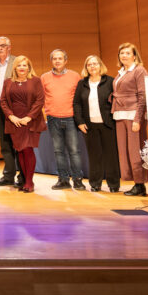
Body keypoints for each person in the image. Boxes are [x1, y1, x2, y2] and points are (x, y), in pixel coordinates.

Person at [73, 55, 120, 193]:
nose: (92, 66)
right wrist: (80, 122)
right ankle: (95, 183)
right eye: (89, 64)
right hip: (89, 125)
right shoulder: (82, 84)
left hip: (108, 124)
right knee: (94, 156)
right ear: (86, 68)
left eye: (95, 64)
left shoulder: (110, 81)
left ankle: (113, 184)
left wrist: (113, 119)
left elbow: (117, 101)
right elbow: (76, 104)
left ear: (100, 66)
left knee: (111, 155)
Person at [0, 56, 46, 193]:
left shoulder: (36, 81)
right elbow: (3, 101)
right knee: (20, 149)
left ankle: (29, 182)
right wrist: (11, 116)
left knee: (27, 149)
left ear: (29, 67)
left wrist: (29, 117)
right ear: (14, 67)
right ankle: (25, 180)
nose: (22, 68)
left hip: (30, 121)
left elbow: (40, 100)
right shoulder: (8, 82)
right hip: (14, 121)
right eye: (19, 65)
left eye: (25, 65)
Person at [41, 49, 85, 190]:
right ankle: (63, 180)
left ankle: (78, 180)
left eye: (60, 58)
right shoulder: (44, 77)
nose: (57, 61)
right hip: (53, 119)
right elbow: (41, 98)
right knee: (58, 151)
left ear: (66, 61)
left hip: (71, 118)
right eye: (55, 59)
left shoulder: (75, 76)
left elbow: (79, 98)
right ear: (51, 61)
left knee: (74, 151)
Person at [112, 43, 148, 197]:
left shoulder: (139, 70)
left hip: (133, 115)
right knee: (125, 152)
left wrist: (138, 118)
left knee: (135, 151)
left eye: (128, 53)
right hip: (120, 115)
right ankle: (135, 182)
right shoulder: (121, 72)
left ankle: (140, 184)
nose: (124, 56)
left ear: (134, 56)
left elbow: (143, 96)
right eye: (122, 53)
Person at [0, 36, 21, 187]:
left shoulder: (17, 62)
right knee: (5, 143)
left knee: (18, 142)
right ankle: (8, 175)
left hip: (14, 108)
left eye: (3, 45)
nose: (0, 48)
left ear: (9, 47)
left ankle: (23, 176)